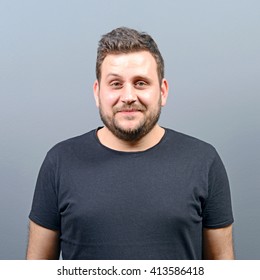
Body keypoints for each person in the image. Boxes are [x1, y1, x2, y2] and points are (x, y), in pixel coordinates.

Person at [26, 27, 234, 260]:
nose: (128, 96)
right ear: (97, 93)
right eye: (115, 84)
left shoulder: (203, 161)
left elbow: (223, 267)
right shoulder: (60, 161)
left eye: (141, 83)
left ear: (162, 91)